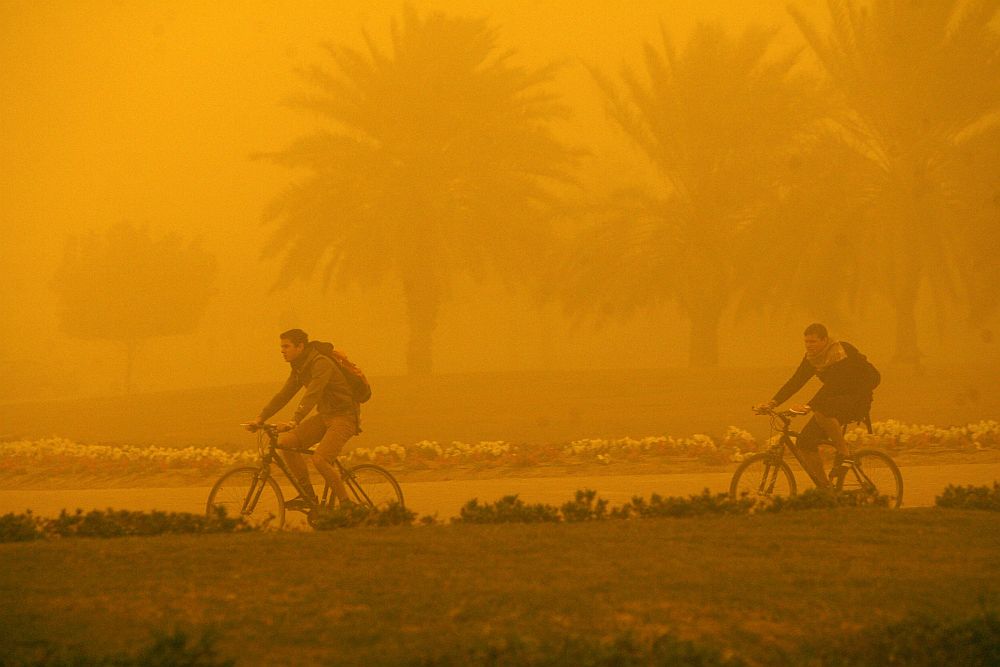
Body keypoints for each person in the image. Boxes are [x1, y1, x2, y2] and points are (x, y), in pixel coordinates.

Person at [756, 323, 879, 488]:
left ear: (825, 340)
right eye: (806, 342)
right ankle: (825, 488)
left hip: (857, 398)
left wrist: (808, 406)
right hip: (834, 401)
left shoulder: (841, 352)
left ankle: (845, 454)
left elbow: (834, 385)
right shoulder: (812, 358)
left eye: (813, 342)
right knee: (804, 443)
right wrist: (772, 403)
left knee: (821, 410)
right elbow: (796, 381)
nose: (808, 345)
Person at [249, 328, 359, 510]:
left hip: (344, 417)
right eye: (281, 347)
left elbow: (312, 395)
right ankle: (308, 495)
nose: (282, 351)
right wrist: (260, 418)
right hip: (325, 417)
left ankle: (348, 505)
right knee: (287, 444)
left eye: (286, 346)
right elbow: (284, 395)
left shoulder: (320, 363)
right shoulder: (300, 367)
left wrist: (294, 421)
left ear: (300, 346)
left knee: (320, 460)